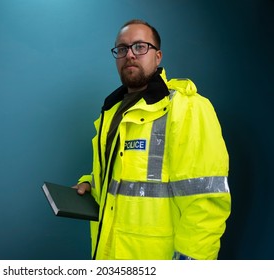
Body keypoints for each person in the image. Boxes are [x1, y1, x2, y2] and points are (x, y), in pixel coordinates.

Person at [74, 19, 231, 260]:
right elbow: (123, 175)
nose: (130, 55)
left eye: (140, 47)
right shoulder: (112, 112)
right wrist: (91, 183)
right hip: (109, 254)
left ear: (158, 56)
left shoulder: (186, 108)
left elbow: (205, 203)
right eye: (122, 48)